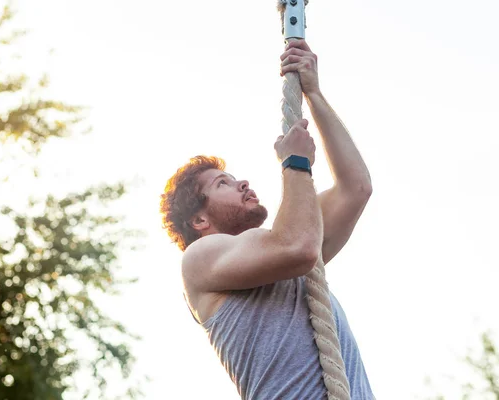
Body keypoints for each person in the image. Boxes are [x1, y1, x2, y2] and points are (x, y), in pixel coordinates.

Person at [160, 40, 374, 400]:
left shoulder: (286, 241)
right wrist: (295, 163)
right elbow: (299, 248)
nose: (243, 182)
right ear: (198, 220)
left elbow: (356, 188)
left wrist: (315, 95)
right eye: (222, 184)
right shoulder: (199, 260)